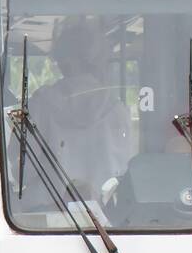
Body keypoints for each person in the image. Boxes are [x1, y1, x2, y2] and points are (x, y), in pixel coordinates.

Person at [27, 18, 133, 201]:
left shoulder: (40, 105)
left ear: (61, 60)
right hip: (102, 212)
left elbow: (21, 165)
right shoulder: (116, 110)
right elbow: (124, 167)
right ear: (97, 59)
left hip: (46, 212)